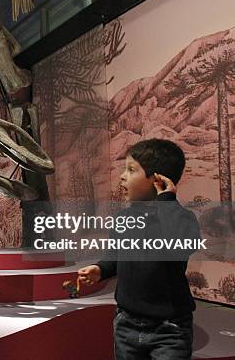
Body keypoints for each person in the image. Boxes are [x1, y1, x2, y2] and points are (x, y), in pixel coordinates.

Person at [78, 138, 201, 360]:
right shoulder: (123, 219)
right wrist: (100, 269)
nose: (122, 176)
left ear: (158, 180)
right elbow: (115, 256)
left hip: (169, 329)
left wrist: (167, 200)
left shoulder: (181, 218)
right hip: (126, 323)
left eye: (131, 170)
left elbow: (182, 245)